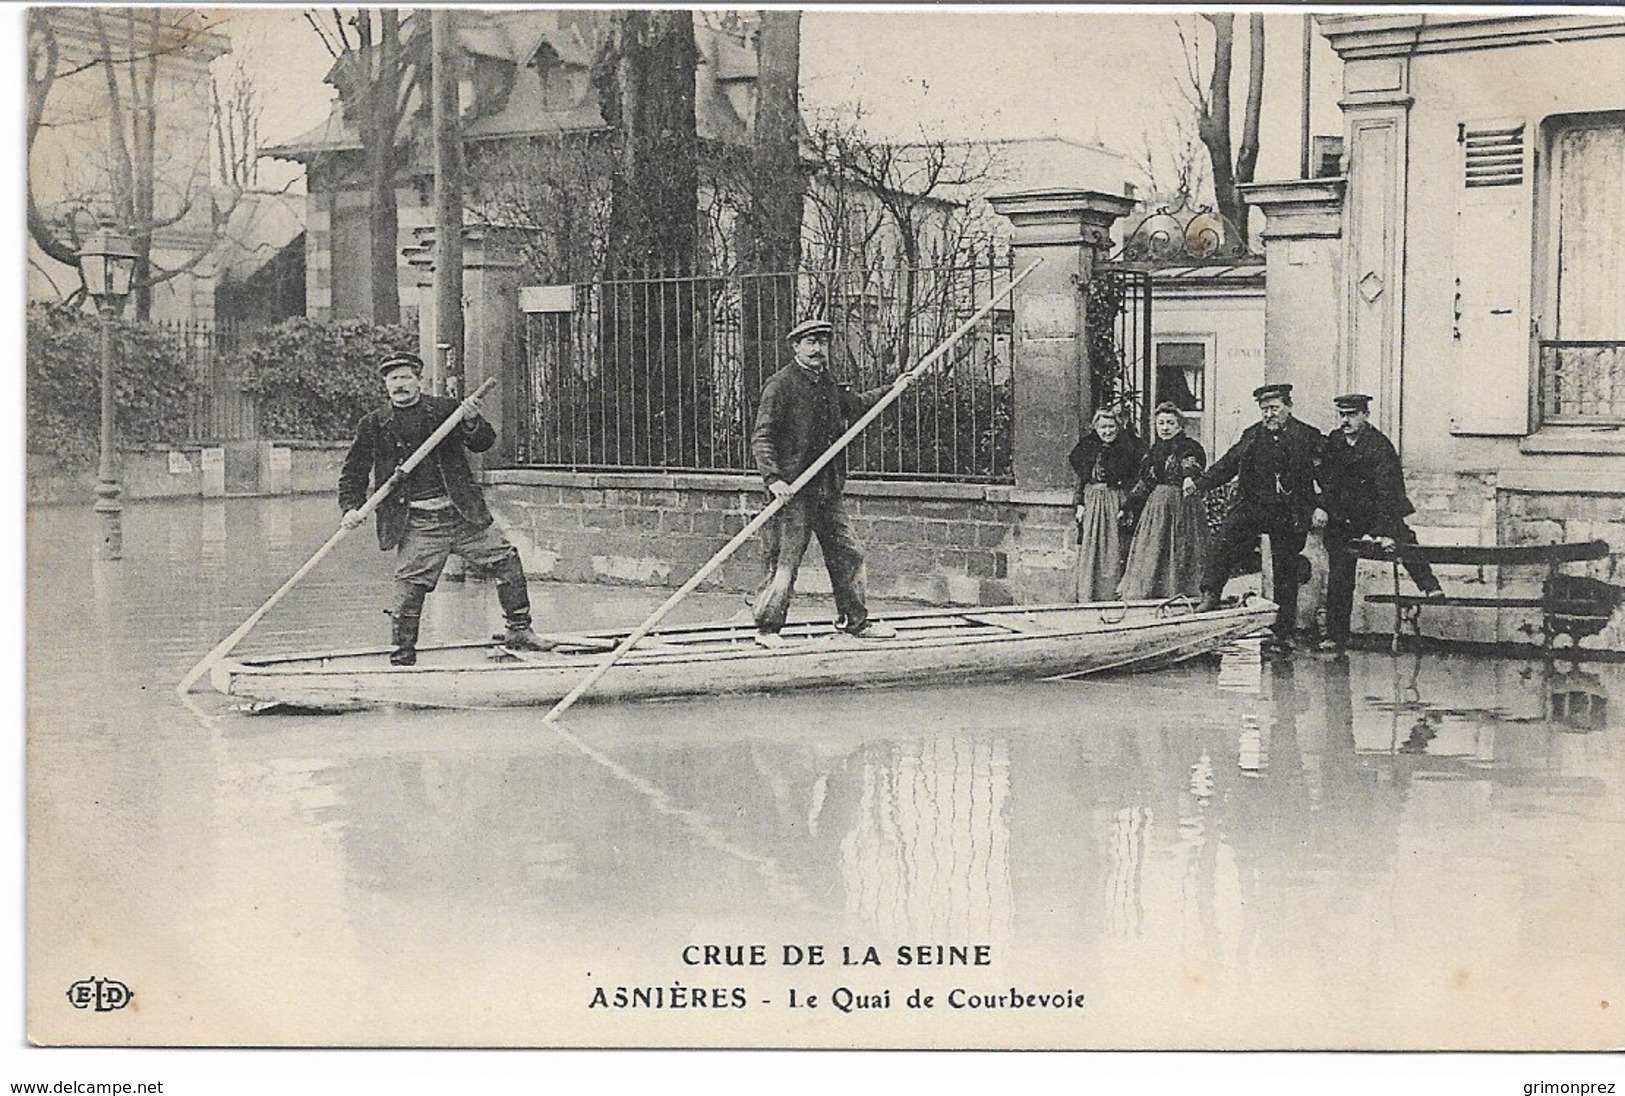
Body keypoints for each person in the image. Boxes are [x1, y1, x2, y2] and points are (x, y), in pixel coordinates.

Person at [339, 351, 551, 666]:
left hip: (460, 514)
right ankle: (402, 658)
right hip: (417, 521)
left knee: (506, 560)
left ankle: (519, 630)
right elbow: (354, 472)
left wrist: (470, 421)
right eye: (393, 378)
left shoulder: (445, 411)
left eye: (406, 377)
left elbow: (483, 443)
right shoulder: (373, 424)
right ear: (385, 384)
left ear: (418, 381)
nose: (400, 384)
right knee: (409, 589)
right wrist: (351, 508)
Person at [751, 318, 898, 648]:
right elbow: (762, 437)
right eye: (810, 342)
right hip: (793, 491)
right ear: (796, 347)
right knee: (784, 562)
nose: (818, 349)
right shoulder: (781, 385)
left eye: (822, 342)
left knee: (849, 553)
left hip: (827, 489)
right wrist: (773, 478)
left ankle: (854, 620)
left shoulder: (829, 384)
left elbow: (856, 405)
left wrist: (894, 388)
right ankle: (767, 629)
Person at [1185, 382, 1325, 653]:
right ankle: (1210, 594)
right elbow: (1227, 465)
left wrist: (1321, 505)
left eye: (1274, 408)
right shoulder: (1252, 435)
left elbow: (1328, 477)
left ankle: (1283, 633)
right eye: (1264, 410)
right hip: (1253, 506)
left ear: (1289, 407)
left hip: (1289, 512)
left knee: (1285, 569)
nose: (1269, 415)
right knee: (1224, 541)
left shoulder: (1308, 437)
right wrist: (1200, 484)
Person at [1316, 393, 1443, 652]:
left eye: (1351, 415)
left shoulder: (1379, 446)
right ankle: (1335, 635)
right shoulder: (1335, 442)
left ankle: (1429, 585)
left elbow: (1390, 491)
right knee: (1340, 573)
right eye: (1342, 415)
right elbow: (1327, 481)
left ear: (1365, 415)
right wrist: (1321, 506)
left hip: (1377, 512)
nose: (1345, 420)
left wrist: (1384, 531)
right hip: (1344, 517)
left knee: (1402, 538)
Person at [1118, 401, 1209, 599]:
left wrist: (1188, 477)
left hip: (1182, 503)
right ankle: (1155, 592)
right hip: (1157, 506)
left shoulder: (1189, 446)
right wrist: (1129, 504)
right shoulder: (1154, 451)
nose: (1165, 428)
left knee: (1181, 546)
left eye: (1170, 423)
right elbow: (1146, 481)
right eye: (1161, 424)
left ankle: (1180, 591)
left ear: (1180, 426)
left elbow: (1191, 462)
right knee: (1154, 546)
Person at [1067, 406, 1142, 601]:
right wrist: (1079, 504)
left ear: (1118, 427)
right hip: (1092, 502)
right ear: (1096, 428)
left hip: (1116, 500)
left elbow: (1134, 480)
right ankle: (1090, 594)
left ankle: (1112, 594)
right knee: (1092, 548)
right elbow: (1081, 481)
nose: (1107, 431)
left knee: (1116, 547)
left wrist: (1127, 506)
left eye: (1111, 427)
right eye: (1102, 427)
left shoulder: (1127, 450)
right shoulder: (1087, 449)